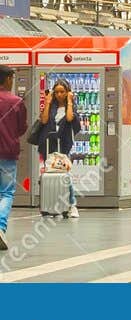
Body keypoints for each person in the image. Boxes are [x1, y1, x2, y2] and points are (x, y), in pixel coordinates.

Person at [39, 79, 81, 218]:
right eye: (56, 92)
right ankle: (51, 204)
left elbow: (69, 118)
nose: (59, 94)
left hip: (63, 144)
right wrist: (47, 102)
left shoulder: (71, 106)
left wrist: (69, 100)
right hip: (48, 143)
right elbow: (44, 120)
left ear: (67, 92)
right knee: (49, 173)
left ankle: (72, 204)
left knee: (64, 175)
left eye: (62, 92)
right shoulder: (51, 106)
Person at [0, 67, 27, 251]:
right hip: (8, 154)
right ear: (8, 79)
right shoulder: (16, 101)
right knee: (6, 193)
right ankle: (0, 227)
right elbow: (21, 128)